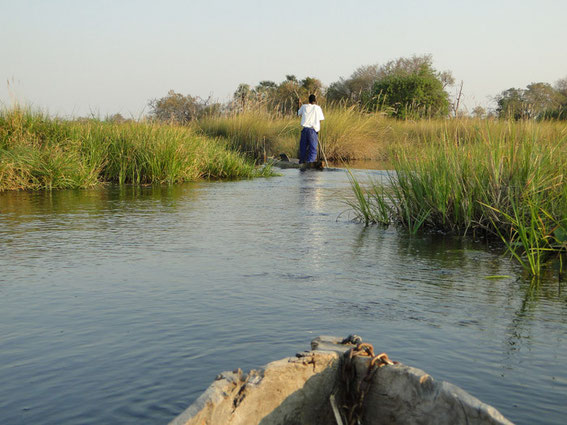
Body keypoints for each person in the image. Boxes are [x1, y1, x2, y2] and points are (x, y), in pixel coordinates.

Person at [297, 94, 324, 164]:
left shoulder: (304, 106)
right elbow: (321, 119)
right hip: (312, 130)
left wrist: (299, 104)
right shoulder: (318, 108)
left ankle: (302, 162)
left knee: (303, 147)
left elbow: (299, 113)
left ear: (309, 100)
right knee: (313, 148)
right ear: (315, 101)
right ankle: (310, 163)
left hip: (305, 130)